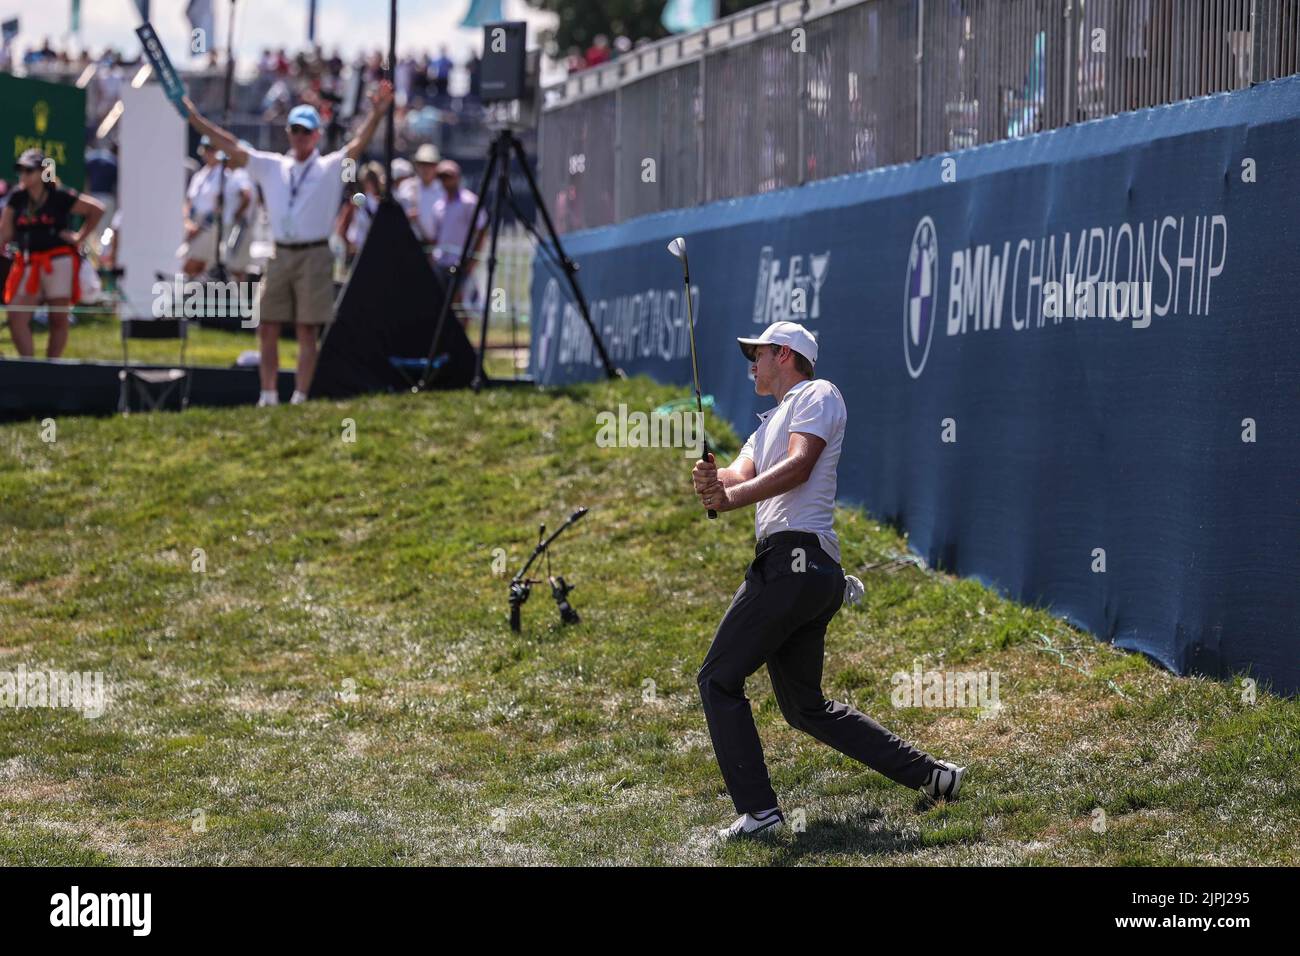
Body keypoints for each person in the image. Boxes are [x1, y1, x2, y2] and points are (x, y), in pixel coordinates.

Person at [690, 321, 967, 840]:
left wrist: (728, 498)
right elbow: (734, 473)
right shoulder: (765, 424)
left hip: (794, 565)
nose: (752, 365)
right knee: (804, 708)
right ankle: (934, 776)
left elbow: (798, 467)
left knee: (717, 679)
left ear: (785, 354)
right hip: (803, 572)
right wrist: (710, 479)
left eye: (758, 355)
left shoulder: (817, 394)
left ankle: (760, 813)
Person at [181, 80, 394, 406]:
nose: (299, 136)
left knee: (307, 330)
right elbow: (231, 146)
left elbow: (357, 145)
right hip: (280, 253)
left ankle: (300, 395)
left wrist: (377, 114)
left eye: (305, 131)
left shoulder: (328, 166)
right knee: (267, 325)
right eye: (295, 130)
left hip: (314, 253)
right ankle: (267, 395)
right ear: (288, 133)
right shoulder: (273, 166)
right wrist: (195, 120)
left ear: (316, 135)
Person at [0, 149, 105, 358]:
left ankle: (52, 365)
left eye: (28, 170)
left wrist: (78, 237)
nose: (23, 174)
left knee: (58, 318)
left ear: (42, 172)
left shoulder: (59, 195)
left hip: (58, 261)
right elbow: (5, 232)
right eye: (20, 169)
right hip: (28, 263)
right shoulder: (17, 199)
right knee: (17, 315)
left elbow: (96, 210)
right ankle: (29, 364)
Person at [180, 136, 254, 280]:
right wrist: (188, 223)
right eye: (206, 149)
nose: (208, 153)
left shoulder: (227, 174)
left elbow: (242, 198)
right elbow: (189, 201)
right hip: (197, 226)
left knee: (195, 266)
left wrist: (234, 218)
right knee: (197, 268)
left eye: (212, 149)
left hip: (212, 227)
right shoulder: (200, 175)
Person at [396, 143, 444, 250]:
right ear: (416, 165)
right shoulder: (406, 187)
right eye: (422, 164)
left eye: (429, 164)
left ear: (436, 166)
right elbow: (395, 216)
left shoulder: (443, 191)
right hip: (406, 245)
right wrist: (406, 218)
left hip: (434, 248)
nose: (425, 168)